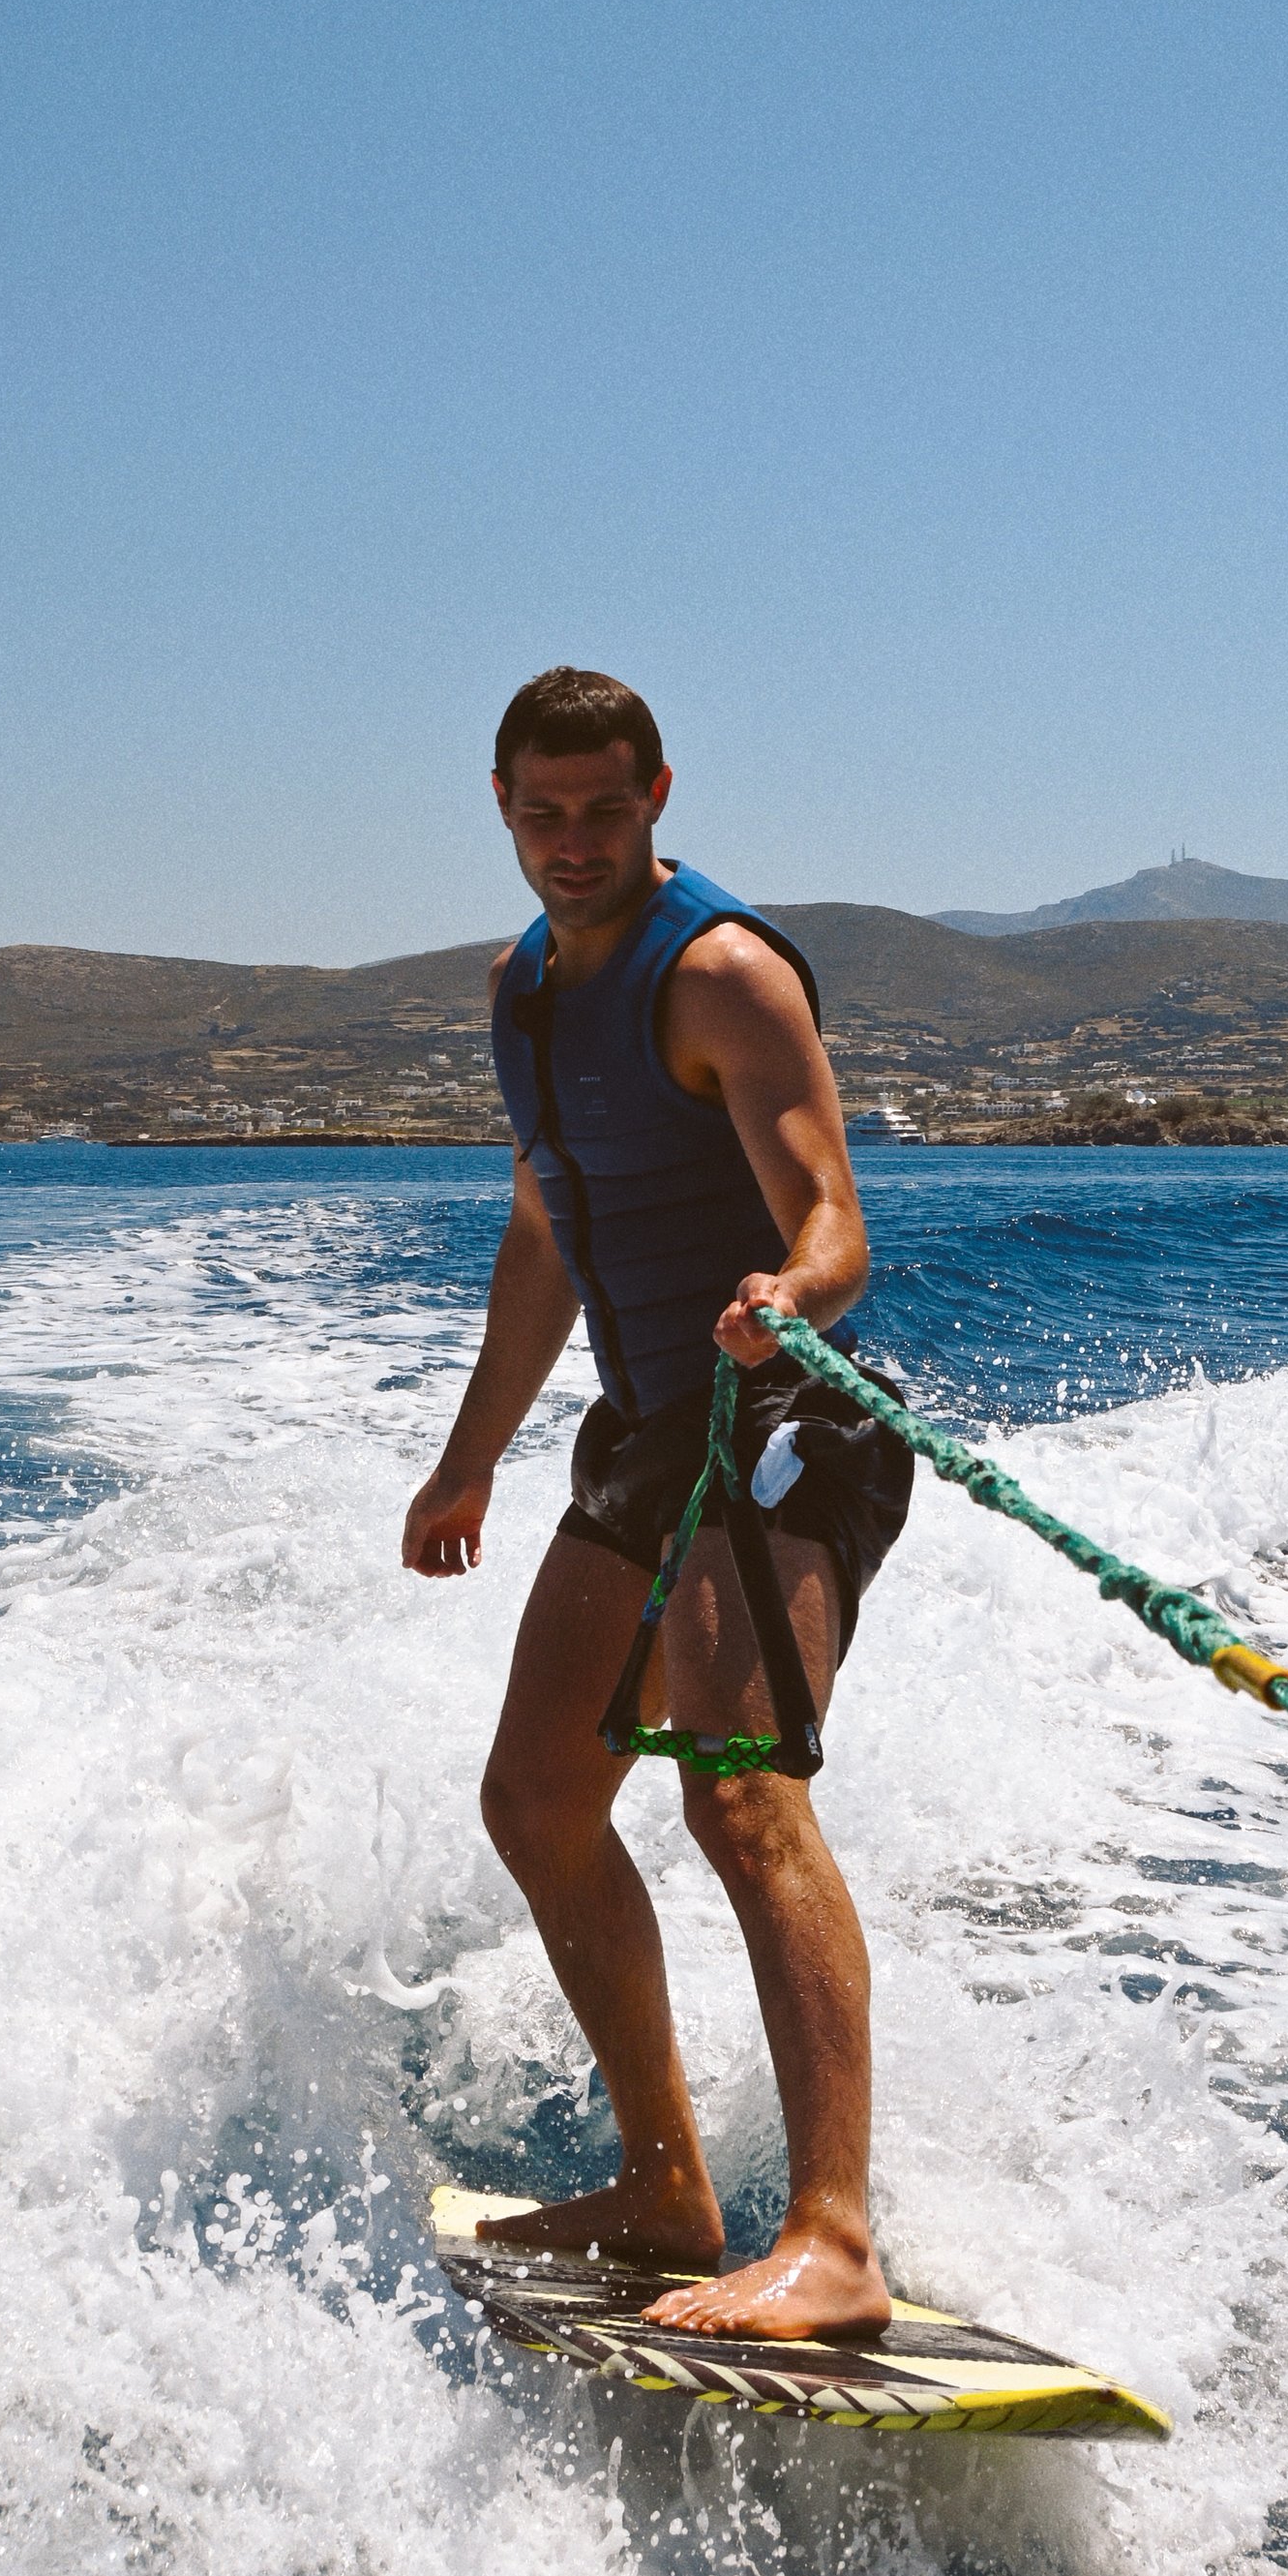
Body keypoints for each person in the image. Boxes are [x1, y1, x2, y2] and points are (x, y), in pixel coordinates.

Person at [402, 667, 913, 2342]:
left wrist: (790, 1290)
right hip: (640, 1434)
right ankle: (669, 2182)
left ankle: (834, 2236)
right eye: (541, 813)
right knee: (539, 1796)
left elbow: (835, 1219)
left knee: (738, 1796)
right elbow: (550, 1228)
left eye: (603, 809)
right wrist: (473, 1451)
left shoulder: (725, 975)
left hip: (782, 1420)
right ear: (500, 805)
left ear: (658, 794)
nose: (572, 842)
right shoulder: (524, 991)